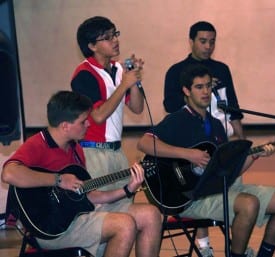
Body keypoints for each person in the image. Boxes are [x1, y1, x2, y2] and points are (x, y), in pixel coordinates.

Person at [137, 64, 275, 257]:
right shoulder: (177, 119)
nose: (206, 91)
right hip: (191, 197)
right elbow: (145, 143)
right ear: (186, 91)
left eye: (208, 86)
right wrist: (187, 154)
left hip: (219, 189)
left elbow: (229, 171)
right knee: (249, 204)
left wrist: (255, 155)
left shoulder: (216, 125)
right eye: (199, 87)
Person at [1, 91, 162, 257]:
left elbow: (89, 195)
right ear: (65, 126)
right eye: (83, 121)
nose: (89, 125)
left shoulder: (75, 148)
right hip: (52, 228)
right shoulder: (37, 144)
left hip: (78, 213)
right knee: (124, 224)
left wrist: (127, 189)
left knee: (151, 215)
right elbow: (9, 174)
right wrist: (58, 179)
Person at [70, 16, 162, 256]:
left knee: (126, 214)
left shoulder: (120, 69)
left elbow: (138, 108)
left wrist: (133, 80)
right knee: (102, 218)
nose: (115, 40)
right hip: (92, 153)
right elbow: (97, 116)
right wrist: (124, 85)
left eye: (115, 34)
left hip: (116, 152)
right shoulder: (84, 74)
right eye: (108, 37)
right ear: (92, 45)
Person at [163, 21, 245, 256]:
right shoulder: (176, 70)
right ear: (191, 41)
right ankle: (203, 245)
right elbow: (169, 105)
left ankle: (236, 241)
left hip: (222, 136)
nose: (208, 46)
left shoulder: (222, 68)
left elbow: (233, 106)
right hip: (193, 140)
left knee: (232, 188)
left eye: (212, 41)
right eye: (203, 41)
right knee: (203, 190)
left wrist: (240, 137)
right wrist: (199, 91)